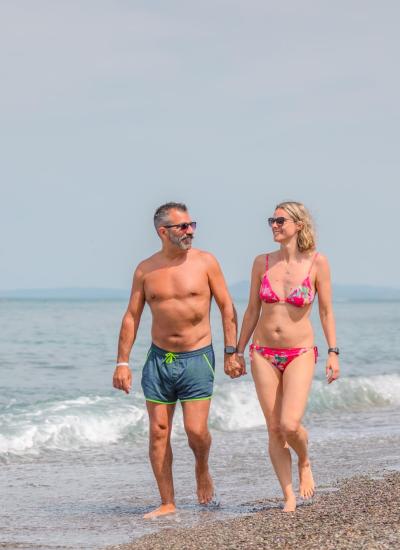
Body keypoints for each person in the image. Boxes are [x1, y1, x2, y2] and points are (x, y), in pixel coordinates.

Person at [113, 202, 242, 519]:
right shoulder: (146, 270)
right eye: (182, 227)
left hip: (198, 357)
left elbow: (227, 307)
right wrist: (122, 363)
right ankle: (167, 501)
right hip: (159, 359)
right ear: (163, 231)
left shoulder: (206, 263)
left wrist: (230, 351)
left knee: (196, 431)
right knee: (158, 431)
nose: (190, 231)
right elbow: (132, 316)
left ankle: (202, 467)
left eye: (191, 225)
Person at [236, 201, 340, 512]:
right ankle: (288, 496)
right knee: (273, 428)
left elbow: (325, 311)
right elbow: (252, 310)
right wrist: (236, 351)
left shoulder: (318, 263)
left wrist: (333, 352)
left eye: (280, 220)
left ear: (299, 225)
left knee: (290, 424)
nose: (274, 225)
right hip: (263, 353)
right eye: (272, 220)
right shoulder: (262, 263)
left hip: (300, 352)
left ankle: (304, 460)